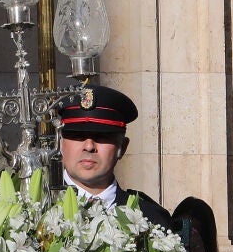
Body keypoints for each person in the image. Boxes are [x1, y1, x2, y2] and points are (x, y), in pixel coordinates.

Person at [54, 85, 175, 230]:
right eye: (77, 136)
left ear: (122, 148)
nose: (89, 146)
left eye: (102, 137)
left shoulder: (151, 220)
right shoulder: (36, 211)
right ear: (59, 143)